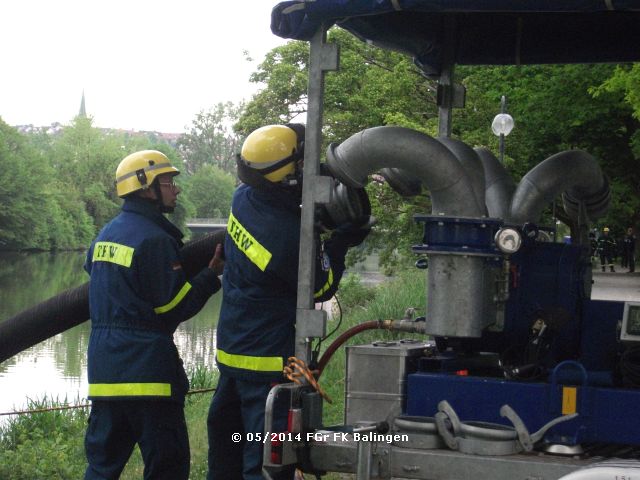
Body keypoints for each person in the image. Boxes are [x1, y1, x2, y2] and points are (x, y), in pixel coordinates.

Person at [206, 125, 370, 480]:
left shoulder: (243, 198)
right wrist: (341, 241)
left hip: (233, 357)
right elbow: (320, 286)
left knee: (226, 462)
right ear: (288, 176)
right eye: (301, 164)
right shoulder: (286, 236)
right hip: (269, 366)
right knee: (266, 464)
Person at [84, 150, 224, 480]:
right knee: (168, 466)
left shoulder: (105, 235)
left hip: (104, 373)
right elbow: (173, 307)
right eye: (168, 182)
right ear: (147, 188)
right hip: (148, 373)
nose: (176, 189)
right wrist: (208, 276)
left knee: (102, 468)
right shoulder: (155, 239)